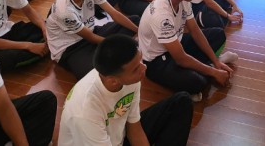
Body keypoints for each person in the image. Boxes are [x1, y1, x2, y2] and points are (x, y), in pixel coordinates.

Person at [59, 35, 194, 146]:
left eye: (140, 61)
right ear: (113, 81)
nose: (144, 68)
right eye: (136, 69)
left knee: (181, 101)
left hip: (118, 137)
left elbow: (134, 127)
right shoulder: (85, 111)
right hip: (94, 141)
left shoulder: (128, 77)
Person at [139, 0, 238, 100]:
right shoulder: (161, 15)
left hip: (176, 44)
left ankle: (211, 64)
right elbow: (180, 58)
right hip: (157, 61)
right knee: (198, 82)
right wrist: (214, 72)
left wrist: (215, 61)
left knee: (218, 34)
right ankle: (205, 69)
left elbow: (195, 31)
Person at [47, 0, 139, 80]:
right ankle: (103, 54)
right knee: (94, 75)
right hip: (71, 48)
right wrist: (117, 46)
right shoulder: (64, 11)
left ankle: (102, 53)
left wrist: (139, 31)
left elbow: (114, 13)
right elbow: (90, 37)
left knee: (135, 20)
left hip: (91, 32)